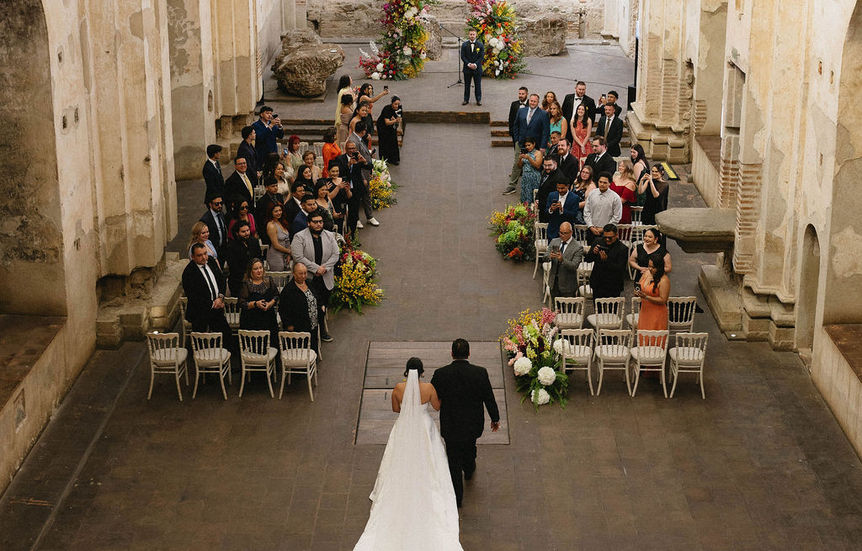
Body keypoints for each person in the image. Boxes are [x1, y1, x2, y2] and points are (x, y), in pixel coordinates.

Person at [353, 358, 462, 551]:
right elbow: (437, 406)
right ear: (421, 371)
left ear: (406, 371)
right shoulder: (428, 388)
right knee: (430, 457)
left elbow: (396, 409)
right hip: (423, 427)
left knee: (398, 455)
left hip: (404, 426)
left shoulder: (397, 388)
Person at [430, 339, 500, 509]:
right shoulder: (480, 373)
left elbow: (433, 394)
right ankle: (469, 469)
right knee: (469, 446)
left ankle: (457, 498)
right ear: (469, 353)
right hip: (472, 424)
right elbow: (488, 397)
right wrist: (495, 418)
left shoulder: (441, 374)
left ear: (451, 353)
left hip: (451, 424)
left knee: (453, 460)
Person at [291, 212, 339, 342]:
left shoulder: (329, 235)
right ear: (308, 223)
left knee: (323, 305)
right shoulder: (299, 237)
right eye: (315, 222)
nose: (318, 224)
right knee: (308, 306)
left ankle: (322, 328)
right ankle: (309, 332)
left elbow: (336, 254)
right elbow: (298, 257)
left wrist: (324, 268)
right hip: (307, 278)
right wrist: (315, 268)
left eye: (320, 222)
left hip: (325, 277)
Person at [182, 243, 232, 345]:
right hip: (200, 312)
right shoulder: (188, 272)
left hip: (217, 308)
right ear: (193, 257)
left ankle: (225, 357)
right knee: (201, 343)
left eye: (205, 253)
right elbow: (193, 297)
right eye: (200, 255)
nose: (204, 257)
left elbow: (221, 280)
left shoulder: (211, 261)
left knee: (226, 336)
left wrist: (221, 297)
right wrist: (213, 304)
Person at [278, 262, 323, 354]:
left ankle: (312, 364)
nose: (303, 276)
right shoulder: (288, 290)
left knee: (312, 348)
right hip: (299, 328)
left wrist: (321, 307)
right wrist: (289, 325)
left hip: (313, 324)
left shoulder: (309, 283)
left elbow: (317, 297)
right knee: (302, 352)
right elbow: (283, 309)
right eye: (300, 273)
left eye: (305, 273)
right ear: (294, 274)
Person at [237, 258, 279, 346]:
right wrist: (256, 304)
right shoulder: (246, 283)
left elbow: (276, 295)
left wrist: (270, 303)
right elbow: (241, 303)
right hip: (252, 321)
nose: (259, 271)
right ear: (250, 271)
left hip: (268, 319)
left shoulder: (269, 280)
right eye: (256, 269)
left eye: (260, 268)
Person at [347, 122, 380, 227]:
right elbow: (356, 162)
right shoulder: (353, 141)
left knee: (366, 195)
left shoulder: (358, 139)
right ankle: (357, 219)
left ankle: (369, 216)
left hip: (365, 172)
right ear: (364, 131)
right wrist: (362, 178)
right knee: (358, 197)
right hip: (360, 175)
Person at [585, 224, 629, 298]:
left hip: (613, 285)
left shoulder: (622, 249)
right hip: (598, 282)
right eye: (605, 237)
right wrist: (594, 253)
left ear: (616, 235)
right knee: (597, 309)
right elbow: (588, 259)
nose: (607, 239)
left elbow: (620, 269)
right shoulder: (598, 241)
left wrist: (606, 260)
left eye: (610, 238)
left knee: (612, 309)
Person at [634, 253, 670, 336]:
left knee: (654, 340)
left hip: (657, 314)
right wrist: (637, 292)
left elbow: (663, 300)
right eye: (649, 266)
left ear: (659, 267)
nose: (650, 269)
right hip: (644, 311)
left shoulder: (664, 280)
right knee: (643, 337)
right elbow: (639, 286)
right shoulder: (646, 273)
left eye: (653, 267)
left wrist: (646, 297)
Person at [224, 220, 262, 296]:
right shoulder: (231, 246)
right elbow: (233, 266)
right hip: (238, 281)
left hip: (254, 278)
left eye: (248, 230)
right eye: (243, 231)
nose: (247, 233)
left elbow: (259, 257)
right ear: (237, 233)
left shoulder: (254, 241)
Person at [548, 222, 583, 303]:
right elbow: (545, 257)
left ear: (571, 232)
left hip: (568, 286)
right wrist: (550, 256)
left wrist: (562, 260)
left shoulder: (578, 247)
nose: (562, 235)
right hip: (554, 283)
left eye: (565, 233)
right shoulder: (554, 241)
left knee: (568, 313)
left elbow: (574, 266)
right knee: (555, 311)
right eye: (560, 232)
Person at [504, 86, 529, 195]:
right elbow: (511, 119)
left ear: (526, 94)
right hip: (518, 137)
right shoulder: (514, 104)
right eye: (519, 93)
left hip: (529, 139)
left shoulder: (531, 105)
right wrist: (513, 134)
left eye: (523, 94)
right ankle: (512, 184)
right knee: (517, 160)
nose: (521, 95)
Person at [584, 172, 622, 241]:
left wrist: (603, 229)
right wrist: (591, 226)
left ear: (609, 183)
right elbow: (587, 211)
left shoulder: (615, 197)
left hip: (607, 233)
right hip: (591, 230)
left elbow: (617, 217)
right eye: (600, 182)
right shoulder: (592, 193)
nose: (602, 184)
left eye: (605, 183)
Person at [536, 156, 567, 224]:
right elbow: (541, 186)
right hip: (542, 206)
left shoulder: (559, 177)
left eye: (549, 165)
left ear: (555, 164)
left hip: (549, 210)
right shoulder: (547, 171)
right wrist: (537, 198)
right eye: (545, 165)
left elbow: (556, 196)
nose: (546, 167)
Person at [323, 162, 351, 234]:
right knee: (337, 229)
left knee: (345, 228)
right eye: (333, 171)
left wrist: (347, 190)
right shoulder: (327, 182)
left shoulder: (344, 179)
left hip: (344, 207)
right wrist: (338, 187)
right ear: (328, 172)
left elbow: (349, 196)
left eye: (337, 171)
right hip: (334, 208)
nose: (335, 173)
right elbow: (329, 197)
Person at [199, 194, 228, 261]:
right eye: (217, 204)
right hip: (212, 252)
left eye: (221, 203)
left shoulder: (221, 214)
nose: (220, 206)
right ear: (210, 204)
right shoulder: (205, 219)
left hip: (222, 250)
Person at [255, 176, 284, 240]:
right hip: (268, 230)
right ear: (266, 187)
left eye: (276, 185)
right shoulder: (261, 202)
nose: (276, 188)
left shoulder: (280, 197)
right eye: (273, 186)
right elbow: (260, 220)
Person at [265, 203, 291, 271]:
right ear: (271, 212)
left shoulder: (281, 222)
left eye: (280, 210)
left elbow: (287, 240)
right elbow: (276, 245)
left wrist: (289, 254)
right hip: (275, 256)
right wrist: (289, 251)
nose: (279, 213)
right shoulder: (271, 225)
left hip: (285, 255)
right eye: (276, 211)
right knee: (278, 280)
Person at [376, 96, 402, 165]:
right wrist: (395, 120)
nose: (397, 106)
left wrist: (396, 121)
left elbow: (399, 119)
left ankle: (394, 159)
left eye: (398, 104)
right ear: (392, 103)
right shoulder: (387, 109)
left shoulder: (399, 109)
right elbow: (387, 122)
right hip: (383, 127)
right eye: (395, 104)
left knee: (393, 141)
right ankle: (384, 160)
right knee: (384, 142)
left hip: (392, 126)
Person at [610, 160, 637, 224]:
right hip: (610, 210)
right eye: (620, 166)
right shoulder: (615, 178)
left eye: (623, 166)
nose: (620, 167)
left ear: (628, 168)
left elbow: (621, 200)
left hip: (622, 211)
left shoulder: (630, 183)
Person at [461, 29, 483, 106]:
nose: (472, 36)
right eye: (471, 34)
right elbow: (463, 56)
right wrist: (469, 64)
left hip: (477, 69)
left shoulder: (480, 45)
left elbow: (481, 57)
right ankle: (466, 99)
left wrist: (475, 65)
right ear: (468, 35)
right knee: (467, 85)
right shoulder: (464, 45)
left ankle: (478, 99)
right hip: (467, 68)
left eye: (473, 34)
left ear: (476, 35)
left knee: (478, 85)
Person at [518, 137, 543, 205]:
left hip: (534, 177)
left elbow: (538, 165)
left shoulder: (538, 153)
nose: (527, 147)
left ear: (534, 144)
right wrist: (520, 159)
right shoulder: (525, 153)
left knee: (534, 195)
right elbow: (519, 166)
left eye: (529, 145)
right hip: (525, 177)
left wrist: (529, 158)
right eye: (526, 146)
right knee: (525, 195)